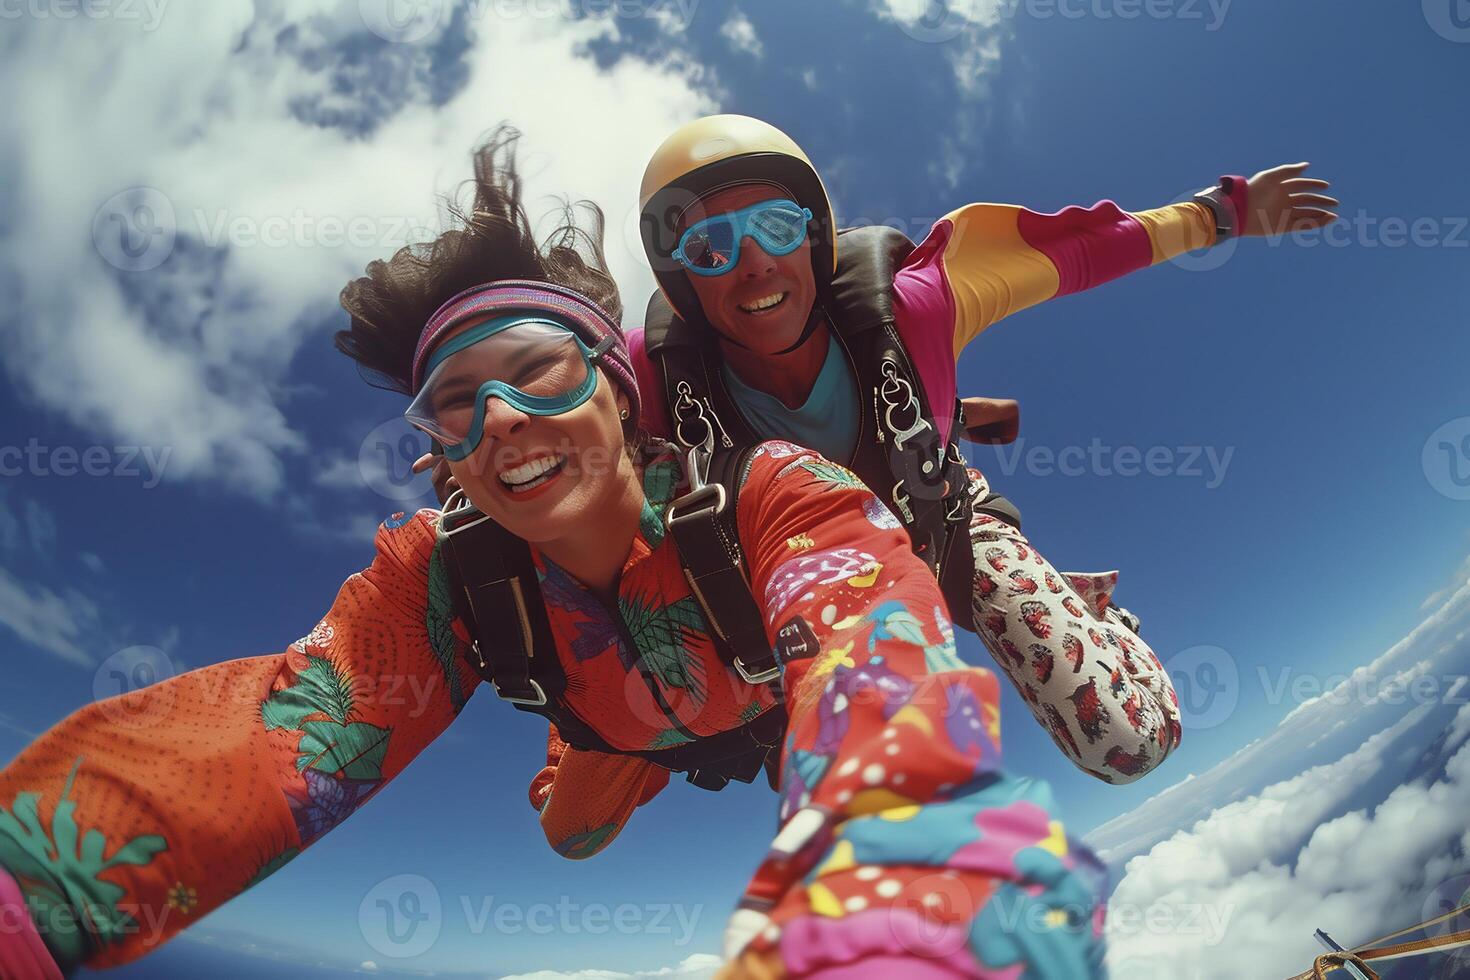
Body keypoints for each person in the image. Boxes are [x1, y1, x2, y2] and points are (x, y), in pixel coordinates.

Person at [0, 131, 1106, 978]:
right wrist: (28, 900)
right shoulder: (446, 576)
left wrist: (903, 882)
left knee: (1100, 732)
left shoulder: (775, 491)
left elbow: (875, 640)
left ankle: (1049, 603)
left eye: (537, 371)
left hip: (764, 676)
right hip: (617, 733)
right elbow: (281, 734)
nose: (502, 420)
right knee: (569, 835)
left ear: (620, 390)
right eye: (453, 409)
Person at [630, 114, 1339, 784]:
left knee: (1128, 740)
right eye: (710, 248)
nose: (752, 263)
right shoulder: (655, 379)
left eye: (777, 227)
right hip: (815, 593)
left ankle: (1093, 612)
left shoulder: (913, 307)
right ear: (681, 281)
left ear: (816, 236)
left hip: (948, 530)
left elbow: (1079, 252)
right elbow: (541, 381)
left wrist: (1221, 213)